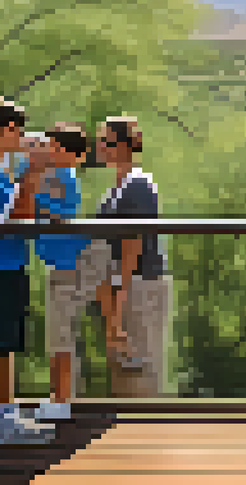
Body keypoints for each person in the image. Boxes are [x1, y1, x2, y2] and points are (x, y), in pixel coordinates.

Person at [0, 97, 55, 445]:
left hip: (10, 261)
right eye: (13, 128)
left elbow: (25, 213)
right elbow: (14, 219)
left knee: (7, 342)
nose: (19, 134)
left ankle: (7, 414)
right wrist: (32, 173)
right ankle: (0, 420)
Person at [17, 122, 117, 422]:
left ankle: (61, 401)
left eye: (52, 146)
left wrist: (34, 199)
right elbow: (18, 163)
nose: (45, 149)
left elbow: (67, 211)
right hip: (64, 260)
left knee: (60, 333)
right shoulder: (44, 172)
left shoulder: (63, 174)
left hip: (74, 259)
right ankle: (63, 398)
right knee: (60, 333)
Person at [92, 117, 169, 389]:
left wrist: (119, 298)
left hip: (138, 283)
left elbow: (133, 243)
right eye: (99, 141)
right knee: (123, 374)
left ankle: (148, 429)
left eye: (108, 142)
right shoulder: (117, 187)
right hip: (121, 284)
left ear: (128, 146)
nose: (101, 147)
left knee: (141, 373)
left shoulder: (138, 185)